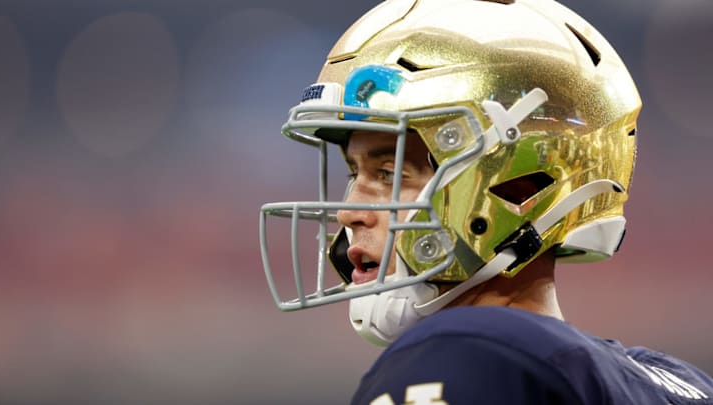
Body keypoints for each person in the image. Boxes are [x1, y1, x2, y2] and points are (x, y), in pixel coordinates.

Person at [259, 0, 713, 403]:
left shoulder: (466, 352)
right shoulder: (677, 383)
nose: (348, 213)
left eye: (390, 173)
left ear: (520, 186)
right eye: (353, 173)